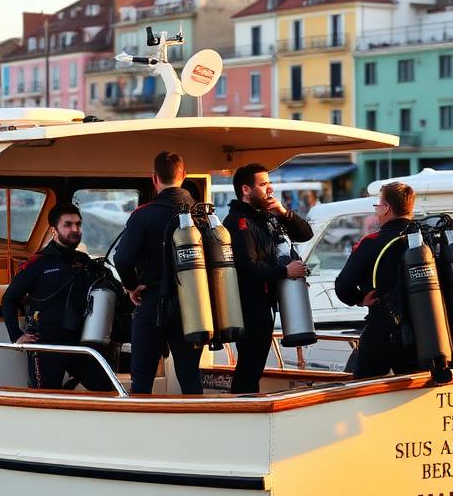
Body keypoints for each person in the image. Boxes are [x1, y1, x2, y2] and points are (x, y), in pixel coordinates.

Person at [114, 151, 203, 395]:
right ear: (184, 175)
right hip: (194, 305)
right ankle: (200, 427)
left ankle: (141, 431)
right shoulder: (202, 215)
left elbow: (121, 259)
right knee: (190, 376)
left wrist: (132, 286)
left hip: (152, 301)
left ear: (154, 178)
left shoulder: (143, 215)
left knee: (142, 378)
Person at [1, 204, 114, 391]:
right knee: (45, 401)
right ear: (54, 230)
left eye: (78, 224)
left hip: (80, 343)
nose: (75, 230)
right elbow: (9, 299)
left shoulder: (85, 262)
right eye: (68, 225)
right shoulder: (38, 264)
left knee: (106, 390)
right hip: (46, 345)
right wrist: (16, 336)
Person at [224, 163, 313, 394]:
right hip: (249, 306)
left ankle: (246, 407)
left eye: (269, 184)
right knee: (249, 367)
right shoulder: (239, 223)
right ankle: (242, 408)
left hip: (264, 303)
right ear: (246, 189)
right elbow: (247, 267)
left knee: (254, 366)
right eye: (263, 185)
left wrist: (284, 213)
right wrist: (285, 272)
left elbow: (305, 234)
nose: (269, 189)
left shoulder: (265, 218)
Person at [334, 182, 420, 378]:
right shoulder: (424, 240)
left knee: (363, 389)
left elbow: (343, 285)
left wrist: (359, 298)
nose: (377, 212)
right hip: (423, 329)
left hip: (383, 329)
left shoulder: (372, 242)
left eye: (378, 206)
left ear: (386, 208)